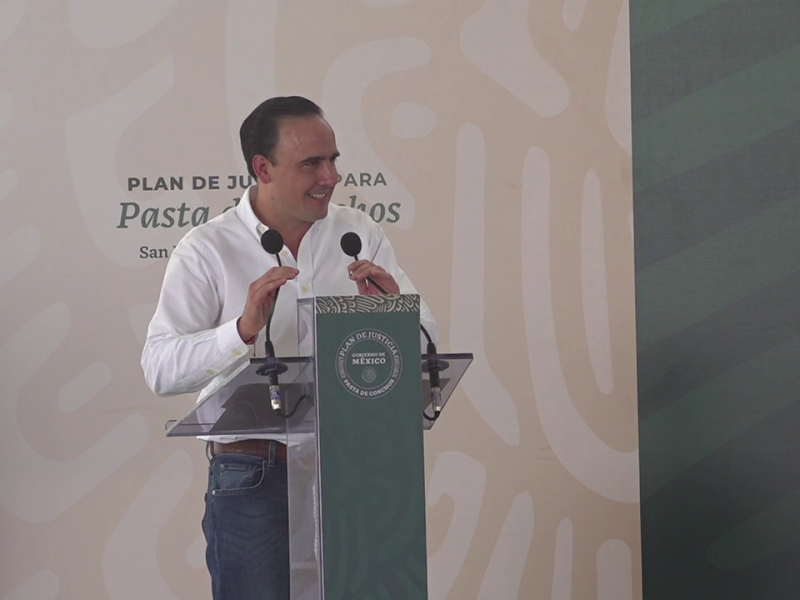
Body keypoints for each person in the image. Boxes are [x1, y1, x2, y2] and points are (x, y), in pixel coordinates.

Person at [141, 96, 436, 600]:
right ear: (263, 168)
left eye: (333, 160)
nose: (330, 177)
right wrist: (240, 331)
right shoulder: (207, 248)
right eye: (311, 164)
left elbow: (428, 342)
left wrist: (394, 316)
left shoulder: (358, 233)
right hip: (253, 475)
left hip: (357, 469)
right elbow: (160, 369)